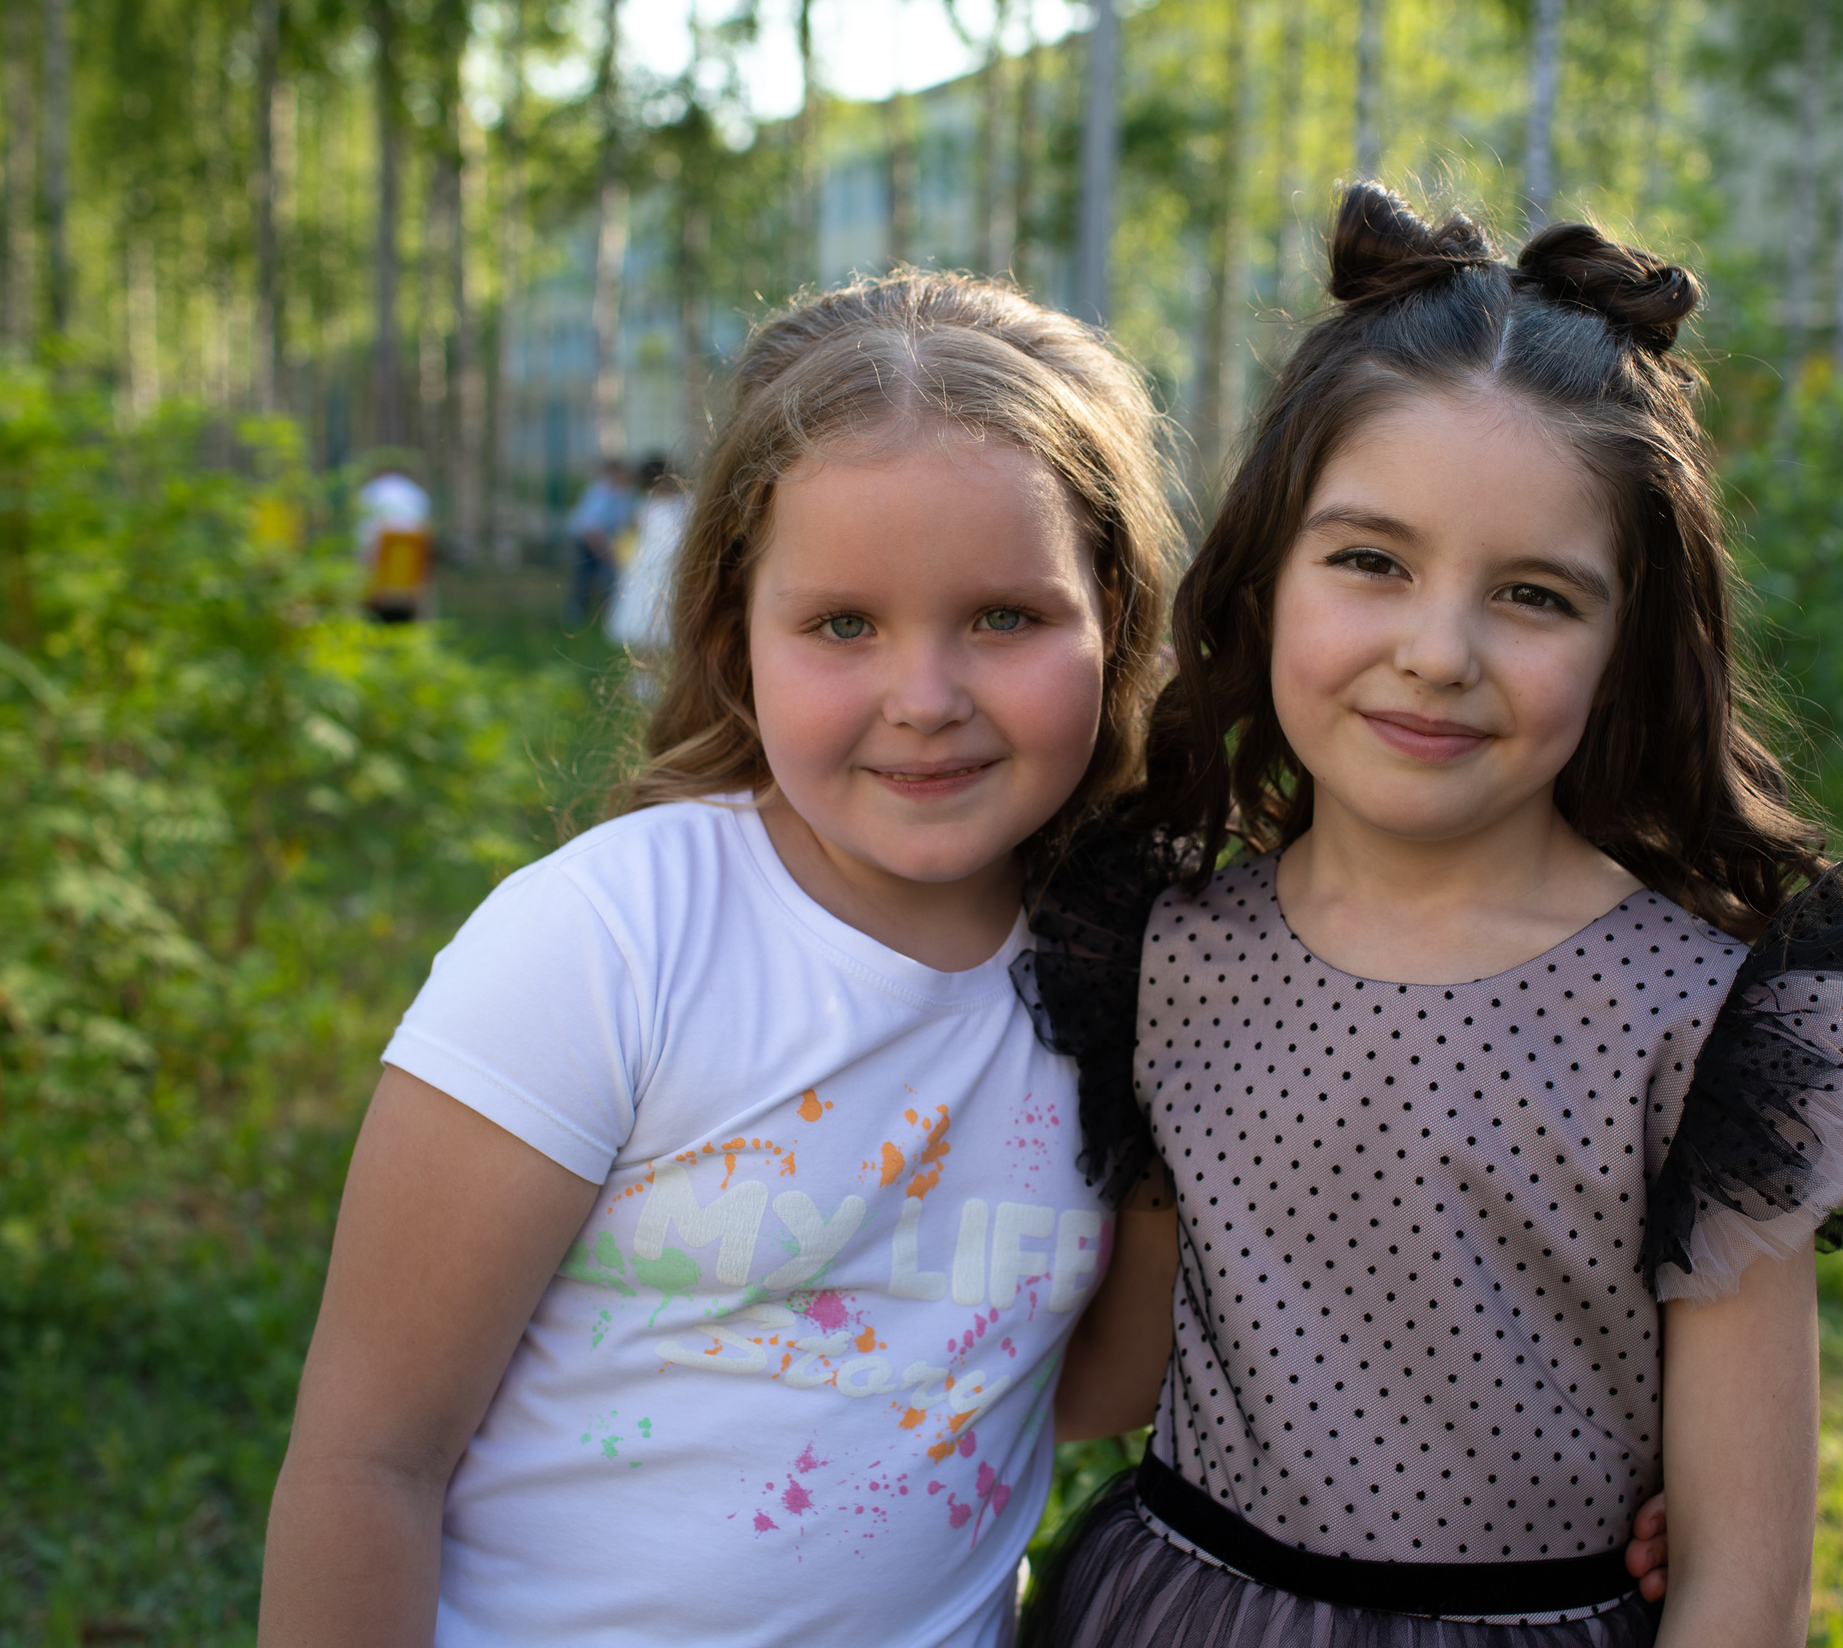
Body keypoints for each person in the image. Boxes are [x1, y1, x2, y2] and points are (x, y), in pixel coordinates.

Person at [1018, 183, 1843, 1648]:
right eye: (1370, 560)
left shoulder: (1713, 1029)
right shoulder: (1162, 947)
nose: (1437, 651)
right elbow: (1111, 1375)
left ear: (1626, 641)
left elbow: (1742, 1581)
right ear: (1263, 575)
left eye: (1532, 593)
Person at [257, 272, 1184, 1647]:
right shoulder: (608, 940)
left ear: (1113, 616)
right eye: (842, 624)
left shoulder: (1141, 967)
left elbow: (1080, 1384)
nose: (923, 699)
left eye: (1003, 616)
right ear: (733, 635)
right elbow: (367, 1458)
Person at [605, 455, 691, 659]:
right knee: (648, 618)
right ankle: (647, 672)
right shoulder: (647, 506)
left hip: (670, 567)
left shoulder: (682, 504)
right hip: (650, 568)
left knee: (668, 617)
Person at [354, 457, 434, 624]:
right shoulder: (416, 496)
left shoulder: (370, 493)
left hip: (376, 589)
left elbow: (363, 548)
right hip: (411, 590)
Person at [565, 458, 638, 625]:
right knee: (584, 578)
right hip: (586, 540)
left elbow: (626, 521)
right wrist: (605, 554)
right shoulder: (599, 493)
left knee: (608, 578)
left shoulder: (626, 494)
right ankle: (575, 615)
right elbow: (591, 529)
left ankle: (606, 615)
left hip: (607, 540)